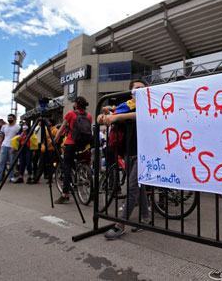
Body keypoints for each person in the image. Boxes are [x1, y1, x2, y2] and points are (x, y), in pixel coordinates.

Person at [98, 79, 151, 239]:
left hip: (144, 153)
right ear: (131, 91)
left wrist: (117, 117)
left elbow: (140, 115)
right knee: (138, 188)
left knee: (132, 188)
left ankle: (120, 224)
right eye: (136, 88)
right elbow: (107, 117)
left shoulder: (148, 105)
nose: (139, 90)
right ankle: (146, 218)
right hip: (127, 153)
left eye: (143, 88)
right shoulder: (125, 106)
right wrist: (104, 116)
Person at [54, 96, 92, 204]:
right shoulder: (89, 116)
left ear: (76, 104)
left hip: (71, 144)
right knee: (85, 163)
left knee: (67, 167)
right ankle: (87, 182)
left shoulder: (70, 114)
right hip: (84, 145)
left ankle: (65, 194)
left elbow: (61, 129)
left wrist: (55, 140)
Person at [0, 114, 21, 184]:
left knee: (12, 163)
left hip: (12, 146)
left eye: (11, 118)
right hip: (4, 146)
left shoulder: (18, 127)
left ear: (14, 119)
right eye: (8, 118)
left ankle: (11, 177)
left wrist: (15, 147)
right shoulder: (4, 126)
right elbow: (2, 136)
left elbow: (19, 138)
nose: (9, 119)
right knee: (1, 162)